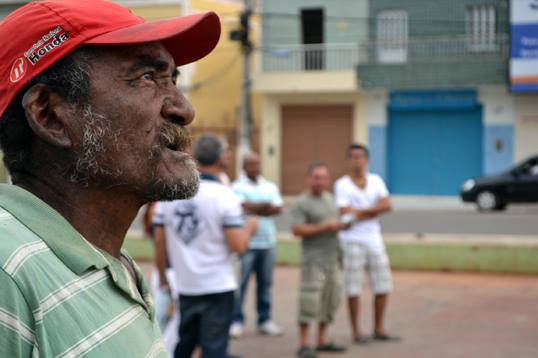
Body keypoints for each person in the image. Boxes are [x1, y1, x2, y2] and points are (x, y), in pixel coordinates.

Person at [0, 1, 220, 357]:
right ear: (50, 115)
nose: (184, 109)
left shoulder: (108, 260)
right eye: (147, 77)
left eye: (172, 79)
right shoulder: (7, 273)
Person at [154, 134, 258, 358]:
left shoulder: (172, 194)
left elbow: (160, 241)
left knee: (185, 345)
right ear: (221, 158)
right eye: (228, 152)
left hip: (186, 285)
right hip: (217, 286)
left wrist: (163, 277)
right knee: (214, 349)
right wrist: (250, 228)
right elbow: (239, 246)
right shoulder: (225, 196)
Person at [334, 144, 398, 344]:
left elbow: (388, 205)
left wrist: (358, 213)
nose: (357, 161)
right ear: (348, 160)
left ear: (367, 160)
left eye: (360, 157)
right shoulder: (342, 184)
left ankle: (378, 327)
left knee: (383, 285)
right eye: (353, 157)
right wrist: (373, 210)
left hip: (373, 240)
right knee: (353, 288)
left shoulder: (376, 180)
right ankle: (356, 331)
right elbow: (344, 214)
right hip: (351, 241)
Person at [290, 162, 348, 358]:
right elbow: (297, 230)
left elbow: (334, 225)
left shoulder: (331, 199)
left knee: (330, 300)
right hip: (313, 261)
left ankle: (322, 340)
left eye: (324, 178)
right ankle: (304, 343)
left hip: (333, 259)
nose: (320, 182)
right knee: (310, 300)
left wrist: (342, 225)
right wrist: (325, 227)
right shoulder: (301, 202)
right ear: (308, 179)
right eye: (316, 177)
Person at [230, 152, 284, 338]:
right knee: (241, 284)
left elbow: (278, 209)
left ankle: (265, 320)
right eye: (251, 164)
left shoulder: (269, 186)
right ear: (244, 167)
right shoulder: (236, 186)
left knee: (265, 284)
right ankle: (236, 321)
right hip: (246, 244)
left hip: (267, 243)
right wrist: (264, 206)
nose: (255, 167)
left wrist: (253, 206)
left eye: (257, 163)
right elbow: (240, 206)